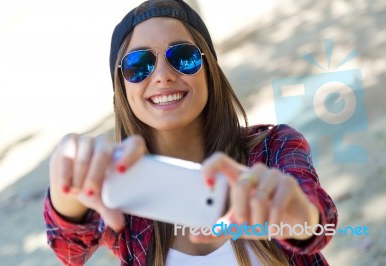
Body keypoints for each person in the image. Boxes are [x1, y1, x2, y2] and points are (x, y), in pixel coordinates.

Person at [43, 0, 338, 265]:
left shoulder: (274, 147)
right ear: (122, 87)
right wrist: (67, 193)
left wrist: (301, 217)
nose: (162, 75)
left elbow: (320, 224)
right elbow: (69, 250)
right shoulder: (119, 184)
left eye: (182, 56)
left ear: (209, 67)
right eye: (138, 65)